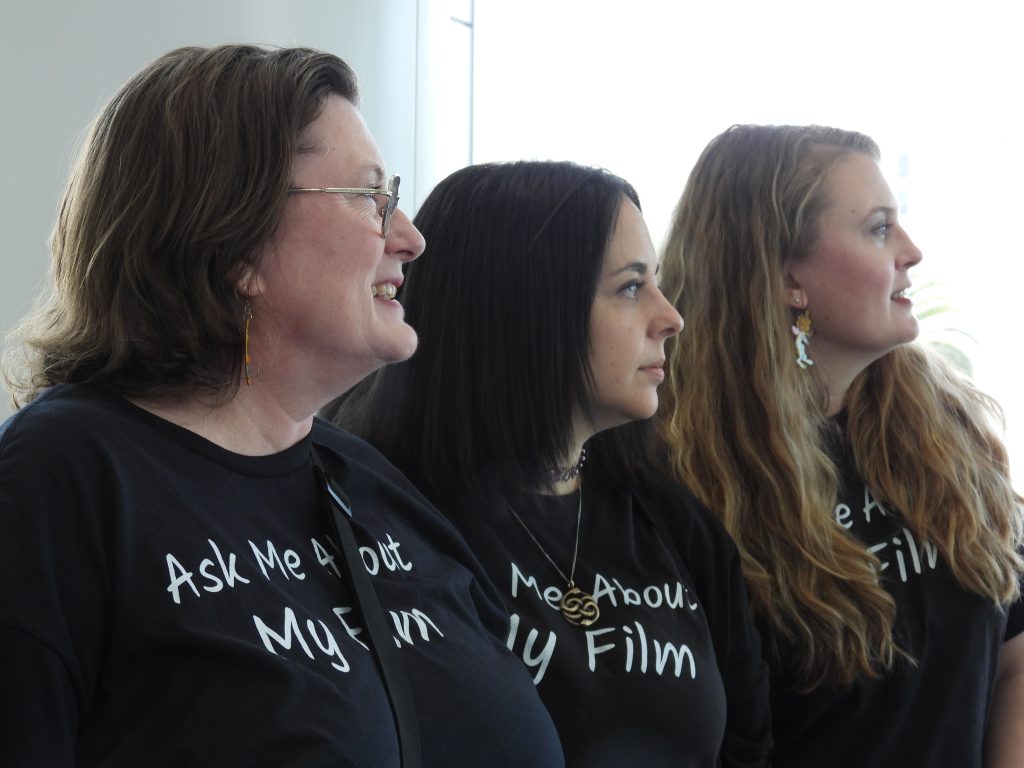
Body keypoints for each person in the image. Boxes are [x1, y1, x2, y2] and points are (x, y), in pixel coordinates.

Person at [0, 45, 564, 767]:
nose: (410, 238)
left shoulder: (373, 485)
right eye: (369, 198)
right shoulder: (66, 475)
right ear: (234, 239)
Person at [325, 160, 772, 767]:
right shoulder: (378, 525)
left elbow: (747, 748)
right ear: (529, 309)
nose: (671, 318)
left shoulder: (677, 525)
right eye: (631, 288)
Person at [657, 123, 1024, 767]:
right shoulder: (680, 474)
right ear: (786, 274)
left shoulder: (943, 428)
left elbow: (1015, 659)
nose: (911, 251)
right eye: (880, 229)